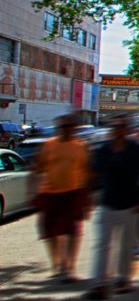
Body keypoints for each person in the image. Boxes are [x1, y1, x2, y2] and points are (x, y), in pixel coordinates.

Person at [85, 116, 139, 301]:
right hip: (107, 203)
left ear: (127, 129)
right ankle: (99, 283)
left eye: (122, 126)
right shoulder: (103, 150)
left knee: (126, 246)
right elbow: (92, 175)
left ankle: (123, 278)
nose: (118, 129)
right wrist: (89, 196)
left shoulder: (136, 149)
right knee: (102, 245)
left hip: (131, 205)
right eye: (114, 126)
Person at [32, 114, 91, 282]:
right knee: (50, 232)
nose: (67, 129)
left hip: (73, 193)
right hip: (49, 193)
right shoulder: (48, 145)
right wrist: (33, 192)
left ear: (75, 128)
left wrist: (87, 197)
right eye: (63, 127)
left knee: (73, 231)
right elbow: (37, 168)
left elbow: (86, 172)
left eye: (70, 126)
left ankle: (69, 266)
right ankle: (57, 263)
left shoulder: (81, 147)